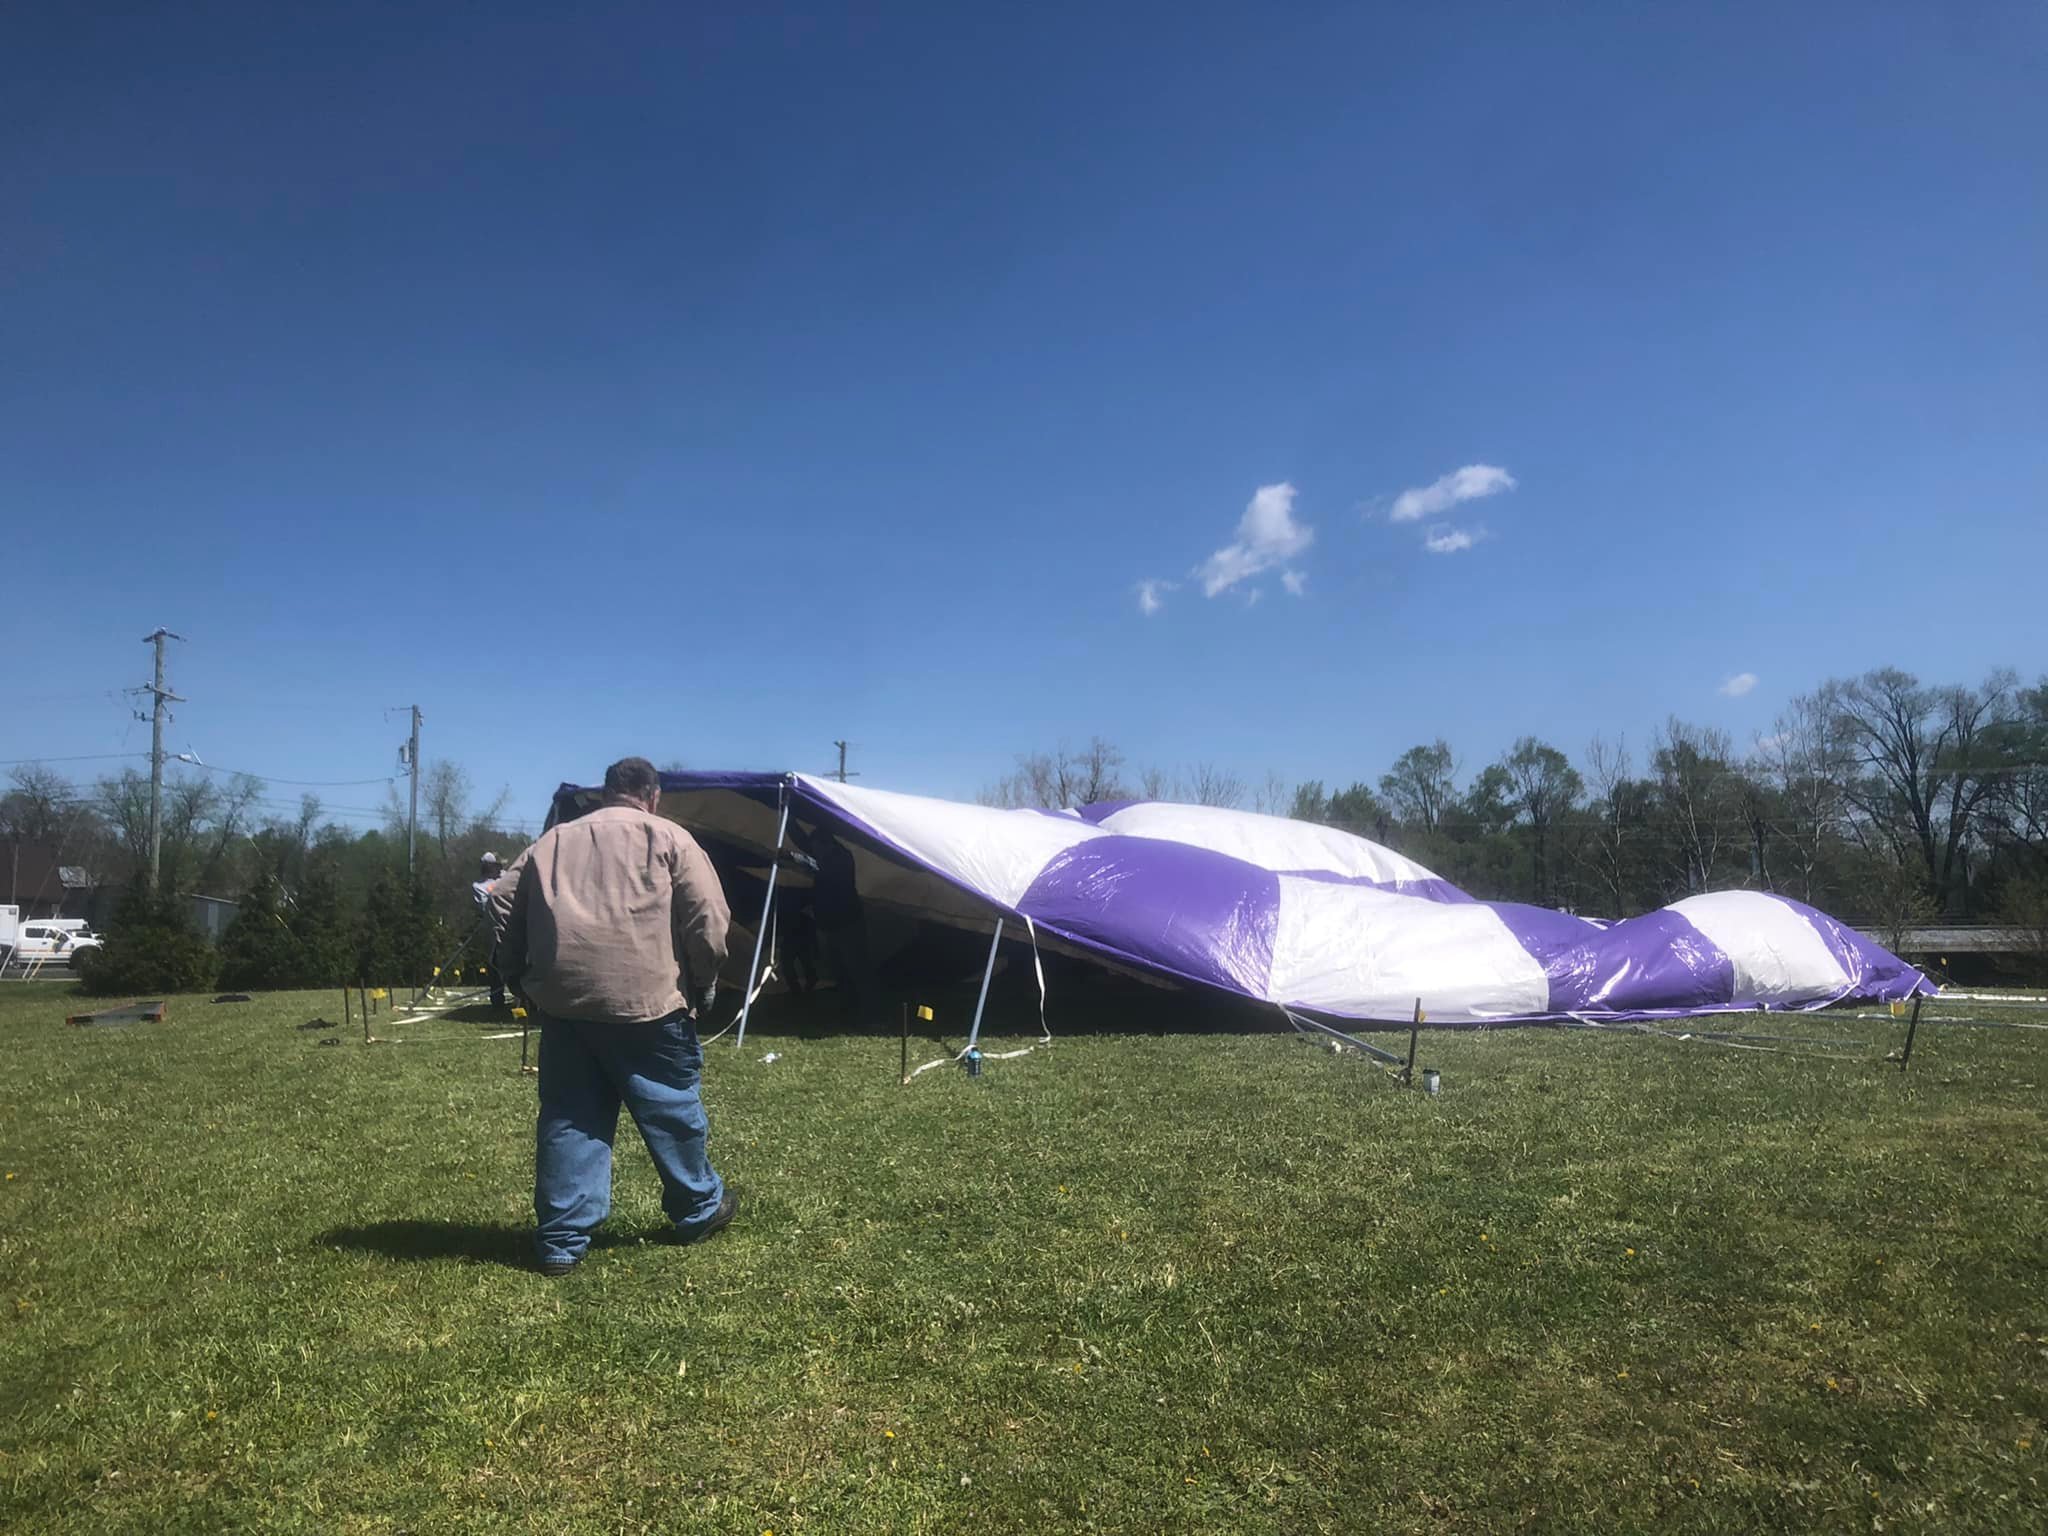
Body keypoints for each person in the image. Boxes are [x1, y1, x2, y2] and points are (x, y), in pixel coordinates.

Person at [489, 756, 736, 1275]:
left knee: (570, 1116)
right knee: (670, 1108)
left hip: (566, 1003)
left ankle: (560, 1240)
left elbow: (500, 901)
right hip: (649, 1002)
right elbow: (709, 918)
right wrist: (705, 977)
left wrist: (517, 971)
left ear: (605, 793)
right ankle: (698, 1207)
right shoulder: (669, 837)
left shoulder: (551, 842)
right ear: (653, 795)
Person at [472, 852, 506, 1007]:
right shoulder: (479, 886)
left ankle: (526, 1001)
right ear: (488, 866)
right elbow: (485, 907)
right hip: (494, 929)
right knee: (495, 964)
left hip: (514, 925)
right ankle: (497, 1000)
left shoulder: (507, 877)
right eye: (496, 865)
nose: (500, 868)